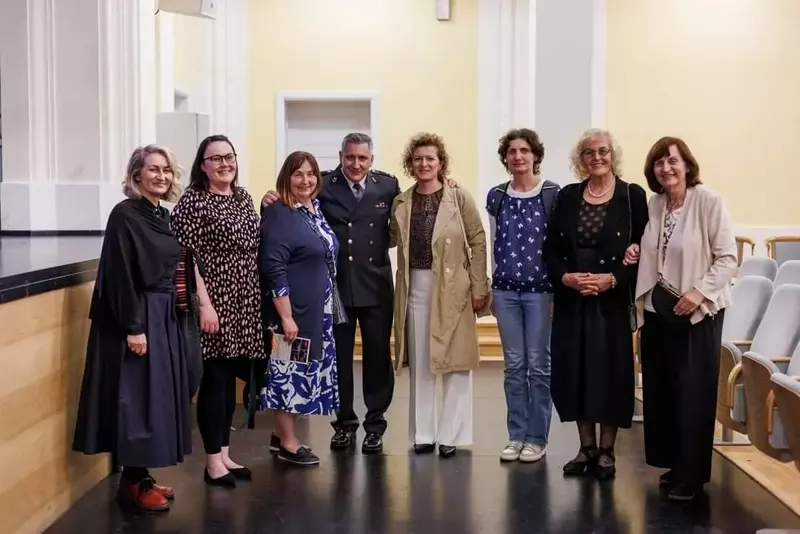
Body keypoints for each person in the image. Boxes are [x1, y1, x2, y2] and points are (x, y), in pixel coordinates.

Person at [262, 133, 399, 454]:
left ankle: (375, 425)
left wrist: (446, 184)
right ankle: (344, 424)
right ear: (340, 156)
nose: (356, 164)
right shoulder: (322, 186)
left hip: (374, 286)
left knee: (378, 359)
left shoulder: (388, 186)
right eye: (350, 157)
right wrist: (269, 197)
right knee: (335, 361)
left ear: (372, 159)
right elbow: (280, 228)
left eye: (362, 158)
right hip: (335, 292)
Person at [72, 145, 191, 511]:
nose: (161, 175)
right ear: (136, 174)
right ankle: (133, 482)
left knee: (154, 399)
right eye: (153, 169)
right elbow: (121, 274)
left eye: (166, 170)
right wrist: (134, 327)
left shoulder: (162, 214)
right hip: (138, 313)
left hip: (162, 313)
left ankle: (140, 476)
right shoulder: (124, 214)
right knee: (137, 399)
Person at [626, 136, 736, 501]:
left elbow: (727, 258)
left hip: (697, 313)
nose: (666, 168)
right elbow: (654, 249)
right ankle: (674, 463)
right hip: (660, 311)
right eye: (659, 163)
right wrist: (635, 250)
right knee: (664, 392)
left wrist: (698, 293)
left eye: (672, 161)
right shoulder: (656, 204)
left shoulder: (708, 201)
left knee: (693, 393)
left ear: (687, 164)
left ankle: (692, 474)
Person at [543, 128, 648, 480]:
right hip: (573, 298)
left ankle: (606, 450)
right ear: (581, 159)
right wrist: (566, 278)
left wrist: (613, 279)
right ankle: (585, 447)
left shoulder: (632, 195)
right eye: (589, 152)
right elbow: (551, 248)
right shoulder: (569, 195)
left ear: (613, 155)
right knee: (575, 371)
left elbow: (644, 250)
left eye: (603, 151)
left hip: (612, 300)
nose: (597, 157)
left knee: (609, 372)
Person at [170, 134, 266, 488]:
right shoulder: (193, 201)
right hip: (214, 299)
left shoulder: (243, 197)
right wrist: (205, 304)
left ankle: (225, 454)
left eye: (229, 157)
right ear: (203, 165)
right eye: (216, 159)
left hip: (245, 299)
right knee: (213, 380)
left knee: (228, 382)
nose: (225, 164)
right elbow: (185, 256)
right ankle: (212, 462)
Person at [390, 132, 489, 458]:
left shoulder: (459, 197)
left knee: (456, 363)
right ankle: (424, 434)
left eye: (430, 158)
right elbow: (389, 237)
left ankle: (451, 435)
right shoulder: (401, 202)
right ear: (411, 163)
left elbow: (477, 240)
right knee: (422, 363)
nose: (424, 164)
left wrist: (479, 285)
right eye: (418, 158)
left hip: (454, 287)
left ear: (440, 162)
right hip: (415, 287)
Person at [259, 151, 341, 466]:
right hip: (292, 312)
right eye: (297, 174)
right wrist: (286, 317)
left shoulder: (313, 208)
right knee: (288, 373)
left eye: (310, 174)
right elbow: (273, 266)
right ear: (286, 178)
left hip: (316, 310)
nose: (305, 180)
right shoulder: (280, 212)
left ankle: (280, 434)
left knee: (302, 371)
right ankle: (289, 444)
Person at [486, 129, 560, 463]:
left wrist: (558, 292)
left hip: (541, 292)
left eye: (524, 150)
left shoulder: (553, 194)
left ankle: (536, 437)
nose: (518, 156)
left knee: (539, 367)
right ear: (505, 157)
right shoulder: (497, 196)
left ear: (535, 155)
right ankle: (516, 435)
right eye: (512, 151)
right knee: (514, 366)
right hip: (505, 291)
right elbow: (494, 243)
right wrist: (492, 287)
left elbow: (560, 247)